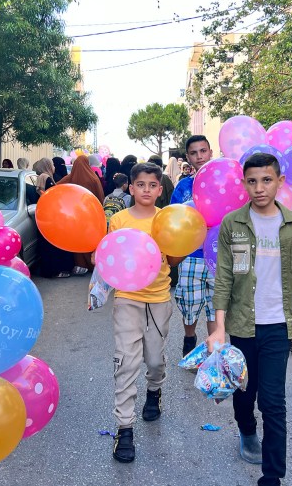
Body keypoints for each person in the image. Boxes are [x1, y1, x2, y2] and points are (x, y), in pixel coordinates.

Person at [207, 152, 292, 486]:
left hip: (279, 325)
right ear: (244, 184)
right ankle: (246, 428)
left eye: (266, 180)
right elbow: (224, 276)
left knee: (273, 401)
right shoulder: (233, 224)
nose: (259, 188)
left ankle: (272, 476)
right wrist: (219, 327)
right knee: (244, 392)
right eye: (252, 181)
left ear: (280, 182)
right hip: (242, 325)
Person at [106, 163, 183, 463]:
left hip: (159, 298)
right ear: (131, 188)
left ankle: (154, 390)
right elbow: (109, 257)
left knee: (154, 359)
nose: (146, 190)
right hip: (127, 298)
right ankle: (124, 428)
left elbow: (173, 260)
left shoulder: (167, 220)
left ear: (160, 189)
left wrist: (180, 244)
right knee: (126, 362)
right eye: (140, 185)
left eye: (152, 185)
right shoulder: (120, 220)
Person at [171, 135, 217, 355]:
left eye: (203, 151)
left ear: (210, 152)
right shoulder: (183, 187)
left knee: (216, 307)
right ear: (187, 157)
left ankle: (214, 349)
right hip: (191, 256)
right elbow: (173, 219)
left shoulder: (225, 182)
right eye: (194, 152)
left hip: (219, 255)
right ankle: (189, 338)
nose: (199, 156)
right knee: (189, 303)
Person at [58, 155, 105, 274]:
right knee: (90, 239)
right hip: (90, 214)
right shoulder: (93, 178)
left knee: (77, 239)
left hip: (74, 215)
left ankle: (80, 264)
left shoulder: (70, 178)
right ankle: (92, 263)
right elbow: (100, 196)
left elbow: (56, 188)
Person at [31, 159, 73, 279]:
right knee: (50, 244)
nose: (54, 167)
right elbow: (52, 196)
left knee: (44, 243)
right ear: (47, 166)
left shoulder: (40, 177)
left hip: (42, 213)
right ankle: (51, 271)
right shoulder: (47, 178)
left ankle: (47, 270)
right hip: (49, 215)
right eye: (52, 165)